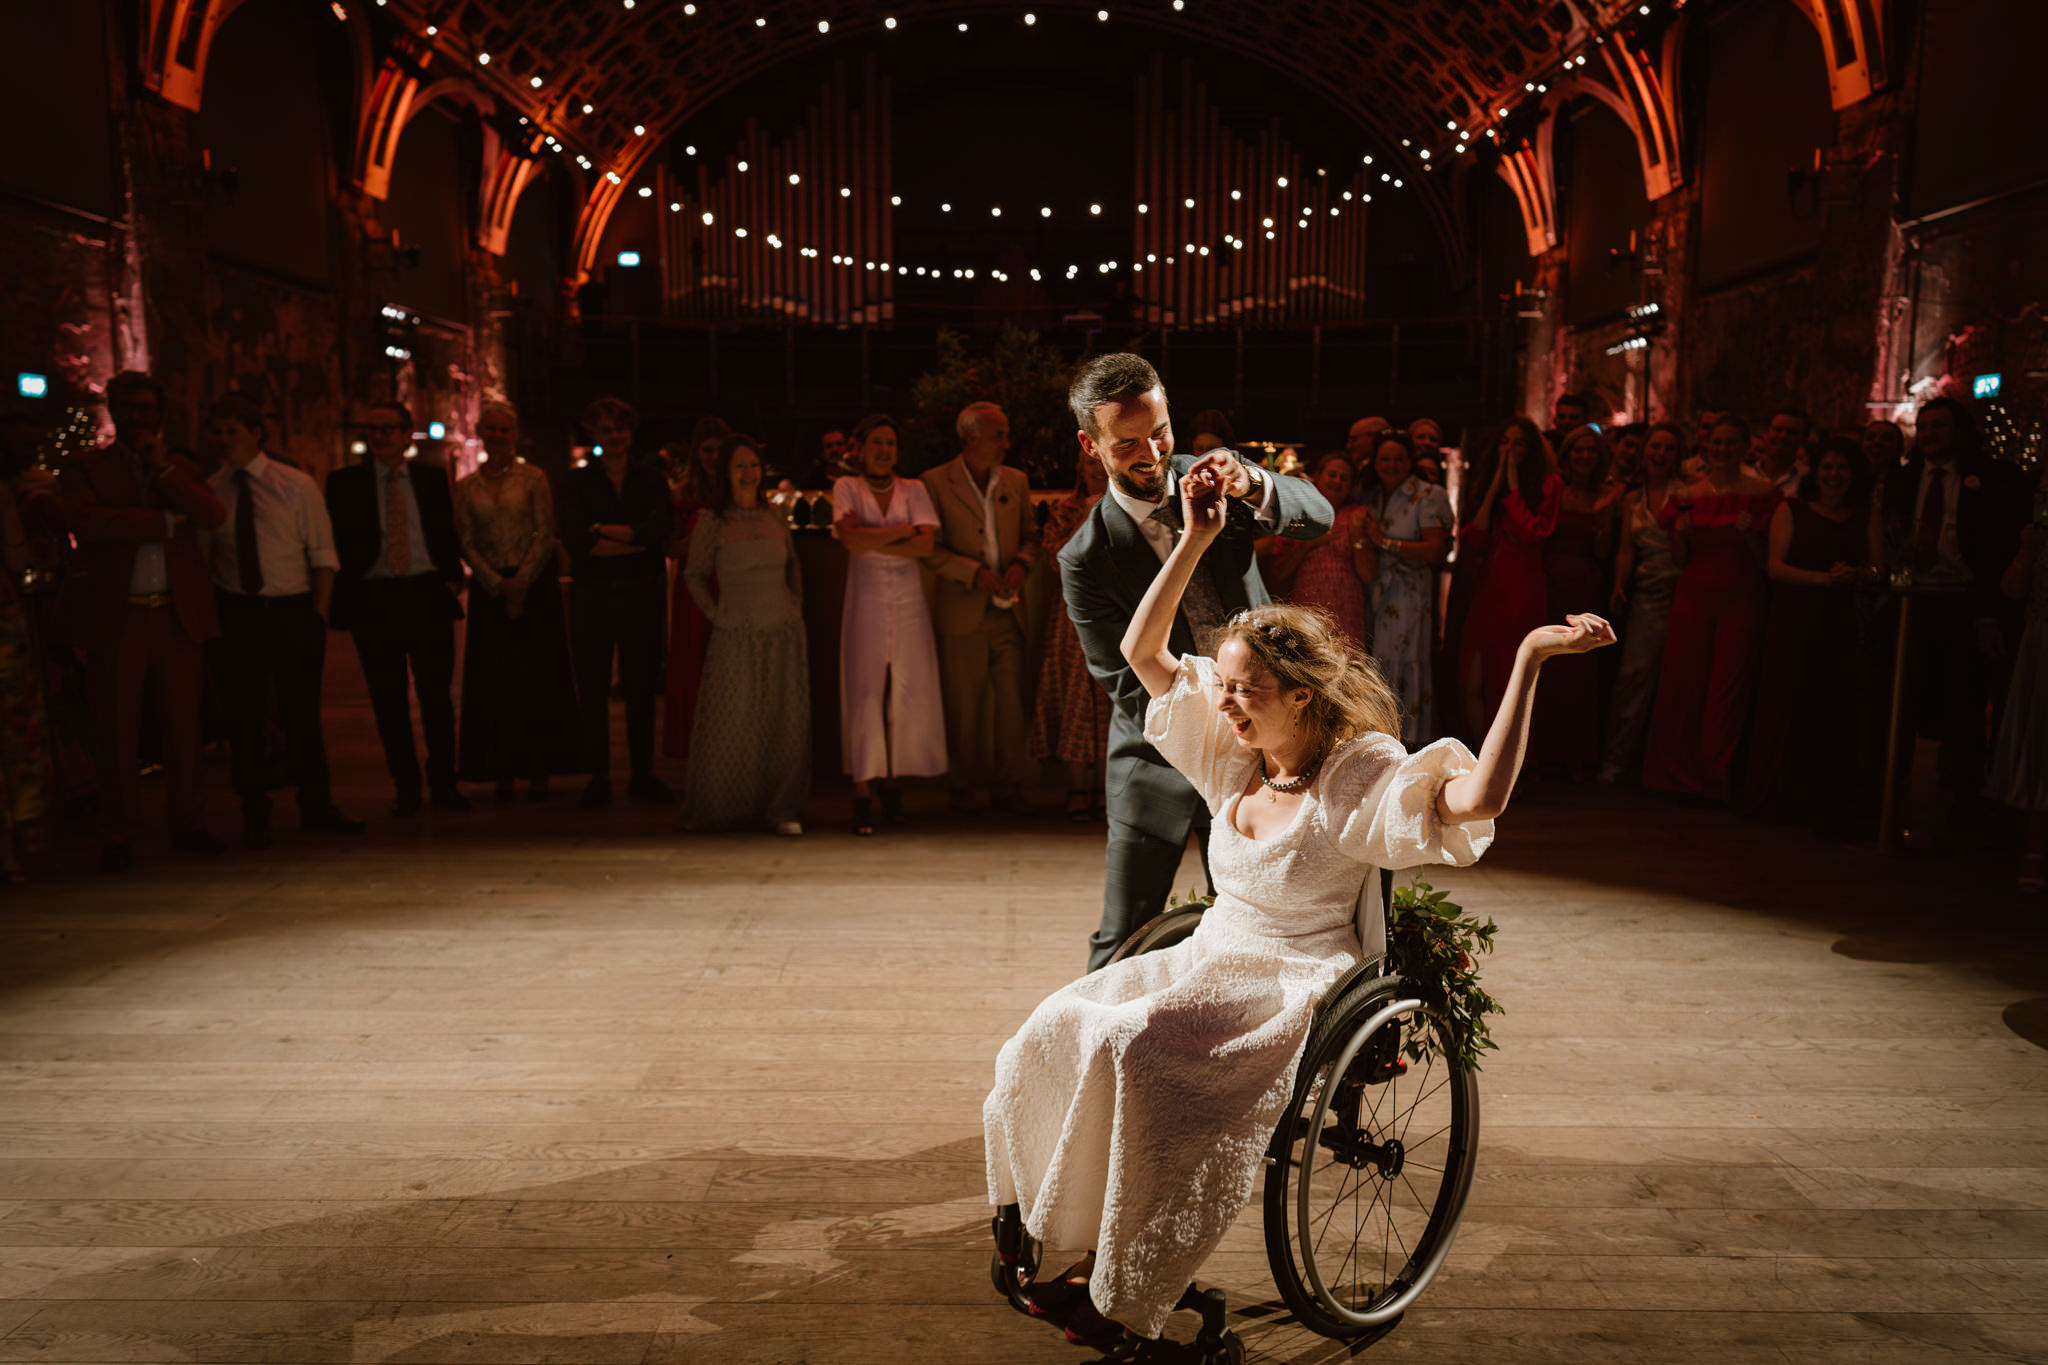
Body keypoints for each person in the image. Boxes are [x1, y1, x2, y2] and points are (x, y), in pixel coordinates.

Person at [985, 454, 1614, 1347]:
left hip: (1291, 977)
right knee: (1057, 1021)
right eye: (1227, 687)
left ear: (1302, 695)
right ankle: (1063, 1239)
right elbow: (1142, 653)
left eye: (1246, 691)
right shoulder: (1235, 752)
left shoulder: (1357, 777)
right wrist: (1200, 535)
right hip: (1211, 948)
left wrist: (1530, 659)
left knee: (1132, 1047)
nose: (1228, 704)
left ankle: (1123, 1277)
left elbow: (1477, 803)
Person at [1056, 352, 1333, 971]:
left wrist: (1252, 483)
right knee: (1122, 937)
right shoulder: (1086, 557)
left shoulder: (1213, 481)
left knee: (1255, 922)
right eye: (1127, 444)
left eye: (1160, 432)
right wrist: (1228, 738)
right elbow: (1128, 686)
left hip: (1271, 753)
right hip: (1156, 759)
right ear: (1090, 444)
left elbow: (1320, 516)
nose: (1152, 454)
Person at [59, 371, 227, 870]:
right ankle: (119, 832)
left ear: (160, 415)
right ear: (112, 410)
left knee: (183, 727)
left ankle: (188, 821)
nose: (137, 418)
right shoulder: (85, 466)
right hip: (119, 615)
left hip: (176, 615)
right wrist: (162, 523)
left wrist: (164, 474)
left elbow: (212, 515)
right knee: (116, 729)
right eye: (127, 408)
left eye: (146, 410)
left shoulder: (177, 468)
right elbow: (88, 522)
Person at [198, 393, 362, 847]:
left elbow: (323, 553)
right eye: (218, 431)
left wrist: (318, 614)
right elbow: (208, 559)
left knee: (301, 712)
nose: (224, 440)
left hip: (290, 607)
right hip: (239, 610)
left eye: (233, 430)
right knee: (244, 716)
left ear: (256, 434)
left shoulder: (294, 485)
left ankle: (316, 802)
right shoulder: (213, 490)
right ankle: (255, 810)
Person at [1880, 397, 2029, 824]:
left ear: (1959, 430)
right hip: (1915, 600)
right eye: (1924, 428)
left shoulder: (1992, 480)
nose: (1930, 436)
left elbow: (1997, 549)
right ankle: (1894, 794)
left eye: (1939, 427)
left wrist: (1989, 615)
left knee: (1962, 707)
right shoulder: (1904, 480)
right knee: (1904, 700)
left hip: (1965, 601)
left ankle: (1961, 806)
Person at [328, 401, 469, 817]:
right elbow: (337, 540)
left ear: (407, 434)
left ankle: (444, 783)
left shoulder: (430, 479)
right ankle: (406, 785)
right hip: (375, 596)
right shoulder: (344, 483)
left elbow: (445, 530)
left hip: (425, 592)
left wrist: (450, 579)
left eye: (389, 428)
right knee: (387, 700)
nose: (381, 436)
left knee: (436, 698)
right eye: (374, 429)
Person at [1742, 437, 1883, 827]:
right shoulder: (1792, 509)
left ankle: (1827, 802)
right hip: (1795, 617)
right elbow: (1775, 566)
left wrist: (1859, 575)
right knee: (1790, 702)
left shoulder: (1864, 515)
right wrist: (1825, 579)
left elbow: (1879, 568)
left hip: (1841, 621)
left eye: (1842, 468)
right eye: (1827, 467)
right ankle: (1782, 799)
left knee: (1834, 707)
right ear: (1815, 473)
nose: (1834, 475)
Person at [1641, 415, 1782, 800]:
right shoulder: (1688, 493)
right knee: (1685, 681)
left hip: (1742, 595)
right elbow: (1680, 558)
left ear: (1744, 445)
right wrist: (1682, 537)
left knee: (1727, 686)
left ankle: (1716, 777)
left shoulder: (1762, 491)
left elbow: (1765, 560)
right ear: (1707, 446)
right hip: (1695, 594)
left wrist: (1748, 534)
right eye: (1716, 443)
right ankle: (1676, 774)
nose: (1722, 450)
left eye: (1730, 443)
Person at [684, 432, 810, 835]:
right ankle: (723, 807)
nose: (748, 473)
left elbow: (792, 563)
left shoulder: (775, 516)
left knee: (783, 718)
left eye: (753, 465)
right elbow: (694, 574)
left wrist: (795, 604)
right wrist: (716, 614)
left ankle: (782, 807)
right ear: (725, 472)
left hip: (783, 630)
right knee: (733, 717)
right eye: (739, 465)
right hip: (734, 631)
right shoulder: (712, 520)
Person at [453, 401, 578, 800]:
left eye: (504, 429)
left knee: (535, 677)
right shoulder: (466, 487)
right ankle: (499, 767)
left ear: (515, 434)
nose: (497, 436)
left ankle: (539, 766)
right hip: (491, 589)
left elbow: (545, 531)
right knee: (495, 680)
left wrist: (521, 581)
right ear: (481, 433)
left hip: (533, 584)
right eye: (490, 429)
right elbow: (465, 539)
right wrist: (494, 582)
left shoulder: (532, 478)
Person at [923, 401, 1040, 815]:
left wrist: (1022, 564)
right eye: (999, 435)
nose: (1007, 443)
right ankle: (962, 785)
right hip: (962, 607)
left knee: (1011, 702)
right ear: (971, 438)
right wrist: (971, 572)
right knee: (963, 702)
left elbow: (1031, 535)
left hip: (1009, 609)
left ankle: (1008, 785)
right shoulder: (934, 483)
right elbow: (929, 550)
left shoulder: (1017, 480)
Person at [832, 414, 946, 834]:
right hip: (864, 601)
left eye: (891, 443)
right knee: (864, 689)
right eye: (877, 443)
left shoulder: (913, 488)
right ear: (860, 449)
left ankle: (894, 784)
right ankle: (862, 790)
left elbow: (926, 544)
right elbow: (849, 539)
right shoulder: (847, 487)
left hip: (908, 601)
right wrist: (901, 533)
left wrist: (874, 535)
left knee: (906, 689)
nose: (884, 450)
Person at [561, 395, 673, 808]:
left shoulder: (650, 478)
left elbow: (659, 532)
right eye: (606, 429)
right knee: (590, 685)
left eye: (620, 428)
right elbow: (575, 540)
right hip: (593, 596)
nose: (615, 436)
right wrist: (633, 537)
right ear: (593, 433)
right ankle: (598, 776)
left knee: (642, 686)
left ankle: (642, 774)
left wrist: (604, 535)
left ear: (631, 432)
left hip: (641, 593)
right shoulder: (576, 481)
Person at [1454, 417, 1561, 744]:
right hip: (1488, 588)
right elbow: (1476, 538)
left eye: (1518, 443)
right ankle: (1482, 759)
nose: (1510, 450)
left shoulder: (1549, 484)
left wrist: (1514, 486)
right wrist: (1496, 484)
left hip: (1521, 588)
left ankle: (1507, 765)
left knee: (1508, 680)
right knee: (1469, 681)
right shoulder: (1487, 483)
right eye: (1505, 441)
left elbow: (1534, 532)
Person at [1600, 422, 1686, 783]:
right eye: (1655, 447)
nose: (1660, 454)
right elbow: (1625, 549)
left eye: (1668, 448)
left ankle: (1663, 765)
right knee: (1633, 676)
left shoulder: (1687, 493)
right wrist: (1620, 584)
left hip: (1683, 589)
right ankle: (1617, 761)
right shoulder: (1633, 498)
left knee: (1678, 680)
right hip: (1647, 596)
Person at [1032, 449, 1115, 822]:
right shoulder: (1065, 510)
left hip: (1116, 614)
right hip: (1072, 618)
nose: (1096, 470)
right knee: (1074, 697)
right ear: (1080, 468)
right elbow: (1055, 557)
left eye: (1102, 463)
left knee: (1108, 698)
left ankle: (1107, 787)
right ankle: (1077, 786)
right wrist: (1088, 515)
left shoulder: (1128, 509)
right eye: (1089, 464)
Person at [1534, 425, 1617, 774]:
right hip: (1551, 580)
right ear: (1568, 455)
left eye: (1591, 451)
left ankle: (1576, 756)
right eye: (1578, 450)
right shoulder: (1554, 489)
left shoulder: (1605, 495)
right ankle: (1545, 754)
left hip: (1584, 581)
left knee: (1581, 668)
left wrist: (1602, 518)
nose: (1584, 456)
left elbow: (1602, 551)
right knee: (1550, 663)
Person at [1361, 434, 1453, 743]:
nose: (1391, 465)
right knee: (1378, 662)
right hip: (1374, 589)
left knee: (1406, 661)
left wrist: (1384, 542)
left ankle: (1410, 742)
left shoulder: (1428, 494)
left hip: (1410, 592)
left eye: (1398, 458)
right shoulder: (1370, 496)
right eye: (1385, 459)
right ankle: (1378, 738)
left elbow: (1436, 550)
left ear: (1409, 461)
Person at [1990, 470, 2048, 888]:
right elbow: (2011, 589)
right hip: (2039, 646)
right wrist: (2026, 553)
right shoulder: (2036, 539)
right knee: (2038, 742)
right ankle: (2034, 851)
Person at [661, 415, 729, 761]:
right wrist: (702, 539)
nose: (714, 457)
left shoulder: (740, 486)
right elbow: (670, 549)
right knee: (695, 657)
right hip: (695, 585)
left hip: (734, 583)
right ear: (696, 452)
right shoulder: (683, 492)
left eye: (720, 450)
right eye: (707, 450)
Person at [1258, 451, 1373, 647]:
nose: (1337, 481)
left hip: (1347, 610)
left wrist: (1356, 538)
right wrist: (1308, 544)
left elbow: (1369, 575)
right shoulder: (1298, 514)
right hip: (1307, 608)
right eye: (1332, 474)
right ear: (1318, 477)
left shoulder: (1357, 515)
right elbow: (1280, 574)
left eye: (1344, 478)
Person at [1753, 405, 1812, 496]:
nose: (1783, 436)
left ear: (1804, 439)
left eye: (1792, 432)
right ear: (1767, 433)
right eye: (1778, 429)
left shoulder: (1809, 479)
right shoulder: (1744, 473)